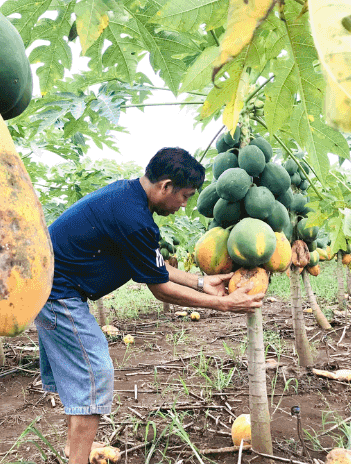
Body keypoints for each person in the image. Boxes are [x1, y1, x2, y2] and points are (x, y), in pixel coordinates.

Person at [37, 148, 264, 464]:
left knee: (81, 377)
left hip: (53, 287)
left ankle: (75, 446)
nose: (184, 205)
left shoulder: (127, 197)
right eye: (184, 196)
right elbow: (160, 290)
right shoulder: (133, 218)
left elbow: (152, 265)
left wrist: (200, 282)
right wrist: (223, 305)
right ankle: (77, 458)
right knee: (94, 376)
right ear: (166, 186)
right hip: (57, 295)